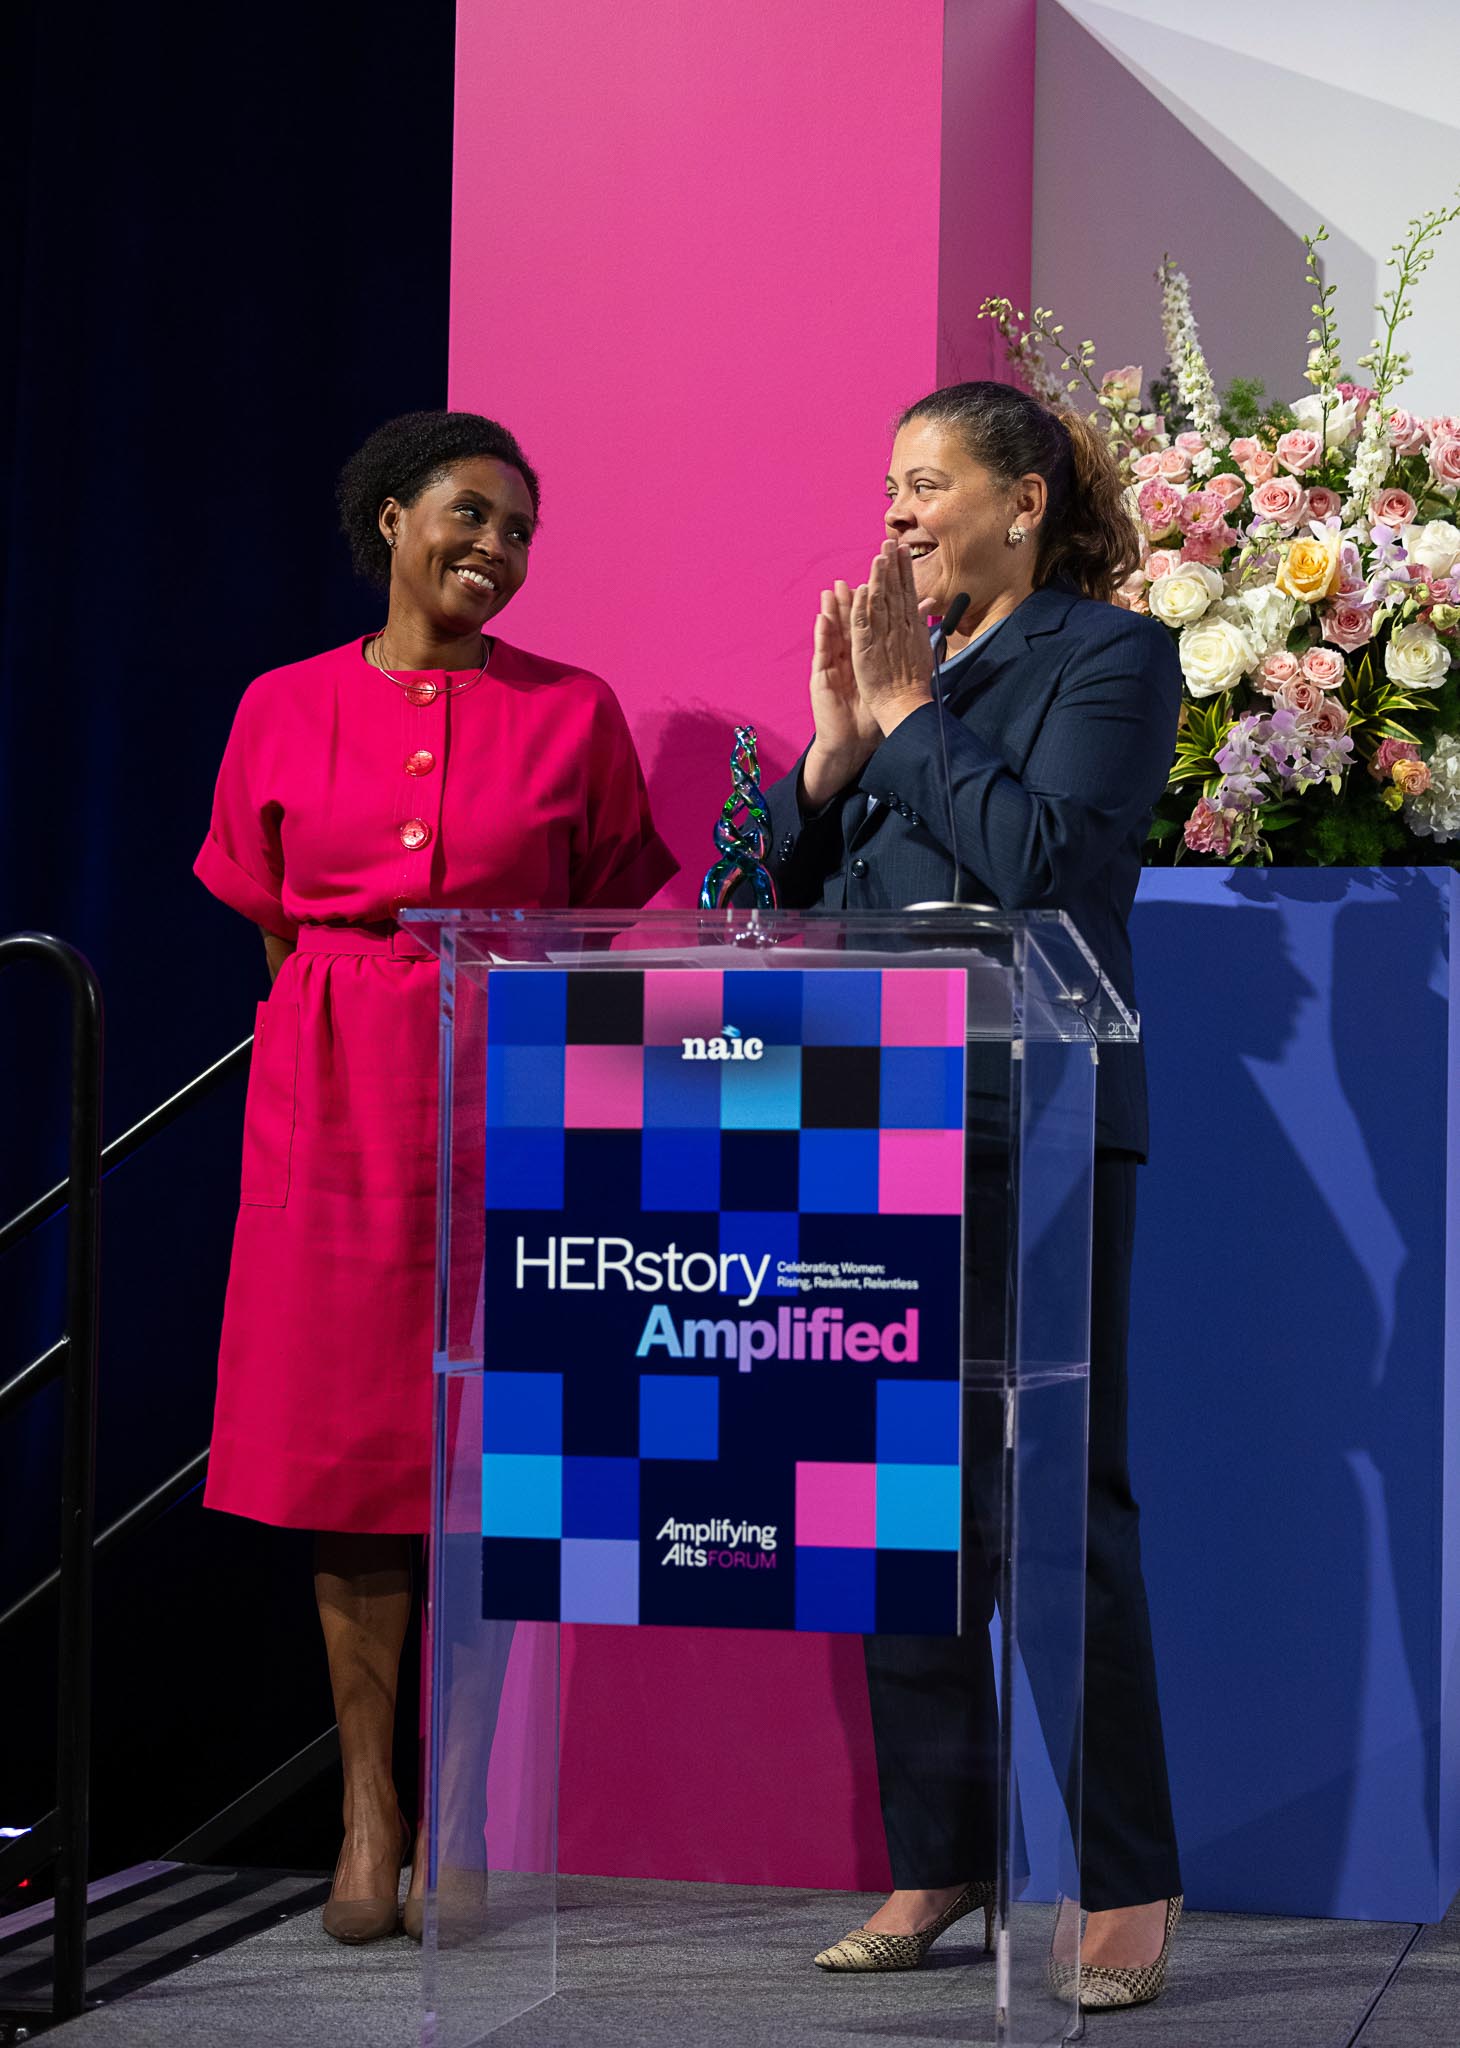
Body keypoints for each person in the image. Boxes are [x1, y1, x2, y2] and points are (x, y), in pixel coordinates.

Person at [194, 410, 676, 1943]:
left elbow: (604, 915)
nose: (497, 547)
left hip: (516, 1098)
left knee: (497, 1454)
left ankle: (460, 1811)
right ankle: (367, 1808)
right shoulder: (281, 703)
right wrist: (349, 1015)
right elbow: (270, 918)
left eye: (521, 530)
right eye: (472, 513)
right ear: (392, 518)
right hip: (334, 1097)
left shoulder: (574, 710)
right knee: (350, 1457)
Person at [761, 381, 1183, 2011]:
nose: (897, 513)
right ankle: (937, 1858)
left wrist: (906, 720)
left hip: (1040, 1123)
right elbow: (784, 901)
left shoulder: (1109, 657)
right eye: (890, 484)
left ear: (1023, 501)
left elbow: (1047, 866)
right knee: (893, 1516)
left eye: (927, 483)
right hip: (868, 1122)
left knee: (1057, 1509)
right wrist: (828, 764)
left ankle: (1126, 1878)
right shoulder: (900, 675)